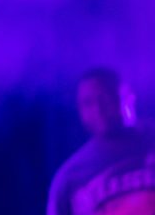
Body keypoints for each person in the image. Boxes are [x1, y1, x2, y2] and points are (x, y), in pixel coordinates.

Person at [47, 67, 155, 215]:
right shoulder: (71, 177)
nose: (98, 109)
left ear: (129, 97)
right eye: (88, 103)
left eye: (106, 98)